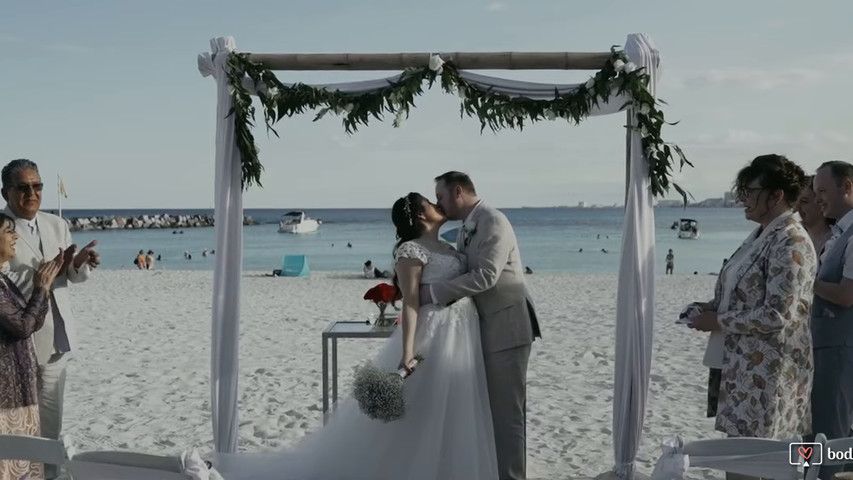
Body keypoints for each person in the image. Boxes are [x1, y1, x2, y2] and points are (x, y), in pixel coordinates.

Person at [216, 192, 499, 479]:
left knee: (453, 413)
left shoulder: (448, 247)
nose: (439, 205)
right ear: (422, 215)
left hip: (461, 333)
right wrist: (407, 352)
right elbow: (411, 303)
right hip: (434, 334)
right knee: (423, 412)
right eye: (431, 202)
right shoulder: (411, 251)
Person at [689, 154, 814, 480]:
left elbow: (779, 313)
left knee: (754, 462)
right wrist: (708, 308)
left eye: (749, 190)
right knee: (740, 459)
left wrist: (719, 321)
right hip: (744, 370)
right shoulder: (763, 234)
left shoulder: (791, 240)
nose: (741, 197)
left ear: (776, 196)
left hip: (769, 374)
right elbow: (743, 296)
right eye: (740, 190)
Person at [424, 171, 541, 480]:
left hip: (508, 326)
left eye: (441, 196)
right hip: (485, 329)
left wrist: (434, 293)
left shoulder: (493, 221)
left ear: (458, 192)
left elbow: (486, 275)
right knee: (491, 414)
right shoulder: (467, 227)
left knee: (508, 416)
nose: (439, 203)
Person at [1, 159, 100, 480]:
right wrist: (43, 274)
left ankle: (52, 476)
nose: (32, 193)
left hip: (56, 338)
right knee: (19, 428)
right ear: (5, 192)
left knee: (51, 426)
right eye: (23, 187)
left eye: (37, 185)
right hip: (17, 345)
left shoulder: (56, 224)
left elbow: (68, 277)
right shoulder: (0, 229)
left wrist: (78, 264)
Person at [0, 213, 63, 480]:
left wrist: (44, 288)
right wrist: (40, 288)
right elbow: (23, 327)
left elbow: (31, 321)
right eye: (7, 231)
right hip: (6, 395)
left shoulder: (5, 280)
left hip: (20, 389)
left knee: (25, 463)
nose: (14, 236)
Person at [810, 160, 853, 478]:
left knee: (832, 430)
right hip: (823, 346)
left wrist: (806, 282)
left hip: (839, 348)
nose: (818, 199)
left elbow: (847, 295)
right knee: (815, 427)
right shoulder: (839, 231)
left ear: (847, 187)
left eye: (823, 190)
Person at [796, 174, 834, 257]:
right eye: (795, 201)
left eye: (804, 201)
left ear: (821, 203)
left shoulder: (834, 242)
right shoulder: (796, 241)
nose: (796, 207)